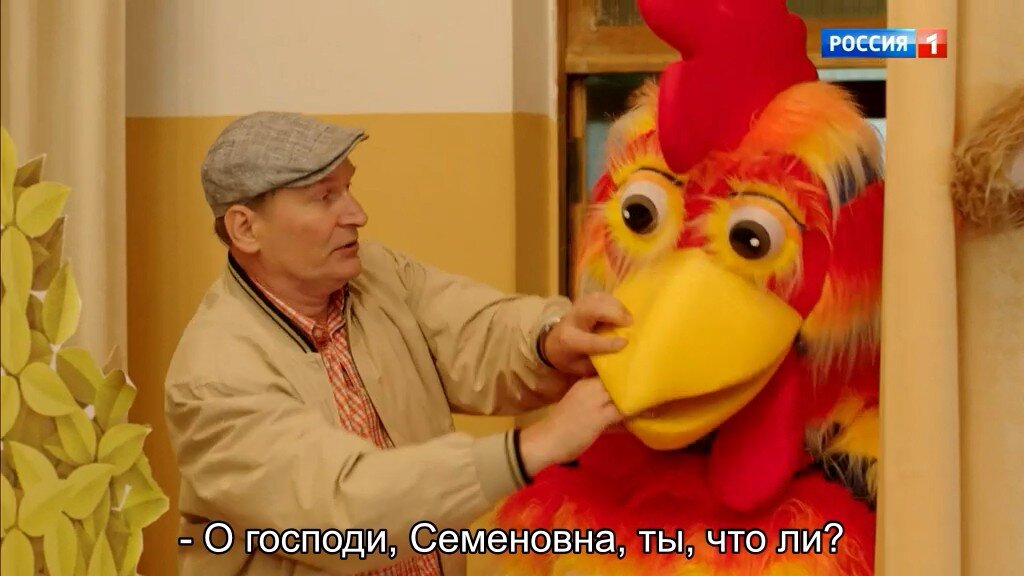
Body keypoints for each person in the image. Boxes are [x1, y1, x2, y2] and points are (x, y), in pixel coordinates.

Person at [164, 111, 631, 576]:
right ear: (246, 229)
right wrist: (534, 447)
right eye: (324, 197)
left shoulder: (376, 273)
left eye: (347, 188)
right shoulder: (213, 378)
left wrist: (552, 337)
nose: (357, 214)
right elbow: (342, 515)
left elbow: (477, 331)